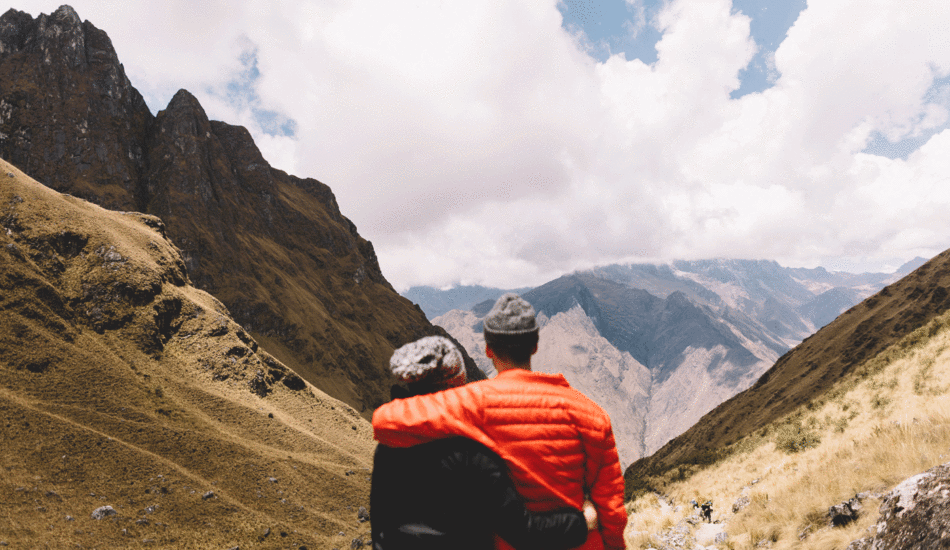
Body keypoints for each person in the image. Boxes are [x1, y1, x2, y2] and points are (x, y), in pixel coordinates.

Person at [373, 294, 627, 550]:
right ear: (535, 346)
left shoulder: (472, 404)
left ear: (488, 349)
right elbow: (611, 507)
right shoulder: (592, 414)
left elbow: (385, 421)